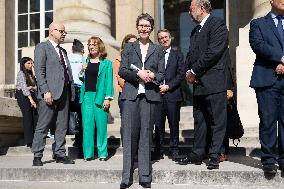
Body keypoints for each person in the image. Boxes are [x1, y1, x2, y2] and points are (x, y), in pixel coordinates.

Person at [176, 0, 230, 170]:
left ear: (201, 8)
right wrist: (187, 72)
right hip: (199, 84)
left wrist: (195, 71)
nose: (189, 12)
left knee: (216, 120)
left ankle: (214, 155)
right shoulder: (194, 31)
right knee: (200, 121)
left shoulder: (218, 25)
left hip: (214, 82)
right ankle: (197, 154)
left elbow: (213, 52)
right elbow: (190, 55)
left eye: (191, 9)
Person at [119, 13, 165, 189]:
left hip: (150, 96)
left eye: (147, 26)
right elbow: (123, 71)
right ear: (137, 27)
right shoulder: (129, 48)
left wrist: (153, 75)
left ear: (151, 28)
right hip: (131, 95)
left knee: (146, 135)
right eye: (141, 26)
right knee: (129, 135)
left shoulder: (158, 50)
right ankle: (126, 177)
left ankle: (145, 175)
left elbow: (162, 74)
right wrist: (137, 73)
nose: (144, 29)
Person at [32, 22, 75, 166]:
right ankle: (37, 156)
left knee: (62, 126)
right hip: (49, 94)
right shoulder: (42, 47)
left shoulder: (63, 51)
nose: (64, 34)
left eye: (64, 32)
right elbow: (39, 71)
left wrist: (71, 90)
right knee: (43, 126)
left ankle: (60, 153)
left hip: (64, 93)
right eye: (61, 31)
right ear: (52, 31)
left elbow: (66, 72)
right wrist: (45, 91)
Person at [249, 0, 284, 176]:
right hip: (266, 78)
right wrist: (281, 59)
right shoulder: (258, 23)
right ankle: (269, 160)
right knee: (268, 120)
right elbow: (258, 45)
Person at [79, 36, 114, 162]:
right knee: (87, 126)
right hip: (87, 96)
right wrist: (82, 71)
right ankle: (88, 154)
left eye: (94, 44)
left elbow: (109, 82)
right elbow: (82, 80)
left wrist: (108, 98)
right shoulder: (86, 62)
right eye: (89, 44)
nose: (91, 46)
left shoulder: (107, 63)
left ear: (100, 46)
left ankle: (102, 153)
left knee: (101, 126)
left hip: (100, 96)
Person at [154, 29, 186, 160]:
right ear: (159, 40)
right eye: (161, 38)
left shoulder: (178, 55)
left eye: (166, 37)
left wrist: (168, 86)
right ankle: (158, 150)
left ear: (170, 38)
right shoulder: (155, 55)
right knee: (158, 125)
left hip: (173, 94)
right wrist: (158, 85)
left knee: (174, 124)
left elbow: (181, 74)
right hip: (157, 94)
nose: (164, 39)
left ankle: (174, 150)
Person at [113, 34, 137, 146]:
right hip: (125, 93)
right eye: (130, 43)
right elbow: (121, 79)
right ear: (125, 45)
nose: (133, 45)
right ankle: (127, 146)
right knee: (126, 122)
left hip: (138, 94)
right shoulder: (119, 59)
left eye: (135, 43)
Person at [15, 57, 38, 148]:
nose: (31, 65)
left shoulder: (31, 74)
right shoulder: (21, 73)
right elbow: (24, 89)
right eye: (28, 63)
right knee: (28, 116)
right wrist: (31, 101)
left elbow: (36, 87)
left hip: (31, 94)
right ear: (23, 64)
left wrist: (31, 88)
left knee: (35, 116)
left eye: (32, 63)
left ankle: (36, 139)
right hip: (23, 95)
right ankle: (29, 141)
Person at [68, 39, 85, 156]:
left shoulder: (67, 58)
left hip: (68, 89)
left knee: (66, 117)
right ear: (83, 50)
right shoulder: (84, 59)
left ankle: (58, 149)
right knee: (81, 117)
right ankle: (80, 145)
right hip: (80, 89)